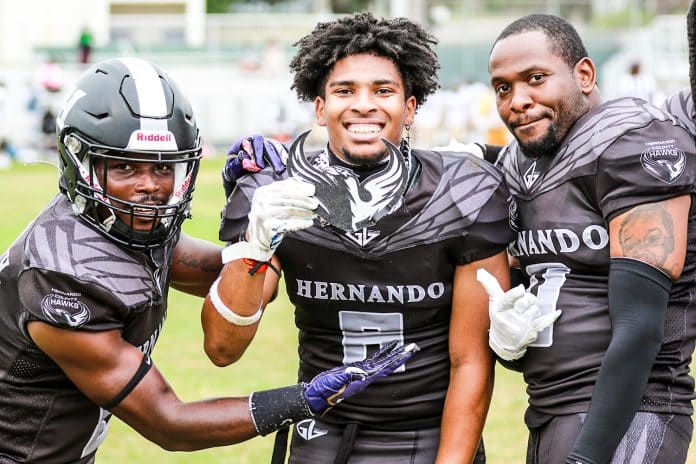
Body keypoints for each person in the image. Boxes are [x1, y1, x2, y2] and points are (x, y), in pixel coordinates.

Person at [0, 57, 414, 463]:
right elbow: (169, 423)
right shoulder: (61, 276)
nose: (150, 187)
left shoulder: (124, 227)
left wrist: (255, 212)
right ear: (81, 165)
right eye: (125, 167)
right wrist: (300, 399)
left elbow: (231, 276)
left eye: (164, 168)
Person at [205, 12, 520, 464]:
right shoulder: (276, 191)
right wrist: (254, 248)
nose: (364, 104)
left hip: (426, 432)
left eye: (383, 90)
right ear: (319, 107)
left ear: (410, 107)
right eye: (345, 90)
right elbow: (221, 348)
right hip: (322, 432)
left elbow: (469, 362)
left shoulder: (462, 192)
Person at [484, 13, 696, 464]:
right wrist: (509, 338)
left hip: (631, 413)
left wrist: (587, 458)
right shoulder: (520, 164)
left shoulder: (631, 142)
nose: (518, 100)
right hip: (548, 409)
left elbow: (640, 328)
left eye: (535, 79)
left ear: (584, 74)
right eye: (503, 88)